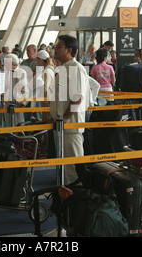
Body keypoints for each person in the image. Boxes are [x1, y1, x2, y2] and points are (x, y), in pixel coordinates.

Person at [50, 35, 90, 184]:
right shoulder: (63, 68)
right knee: (64, 167)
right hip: (61, 126)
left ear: (69, 50)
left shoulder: (75, 68)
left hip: (70, 127)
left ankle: (77, 197)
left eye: (59, 46)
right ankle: (66, 198)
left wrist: (65, 117)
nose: (55, 49)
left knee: (73, 169)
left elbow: (77, 97)